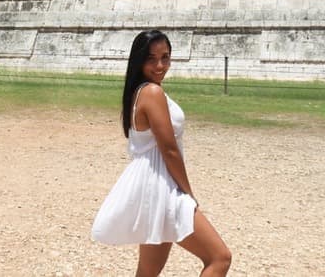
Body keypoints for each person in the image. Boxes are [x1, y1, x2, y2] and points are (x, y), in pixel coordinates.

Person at [91, 29, 231, 276]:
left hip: (150, 187)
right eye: (151, 58)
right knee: (219, 258)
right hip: (162, 187)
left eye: (165, 57)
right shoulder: (152, 92)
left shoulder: (139, 92)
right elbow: (169, 150)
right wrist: (188, 193)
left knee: (147, 272)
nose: (160, 65)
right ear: (139, 60)